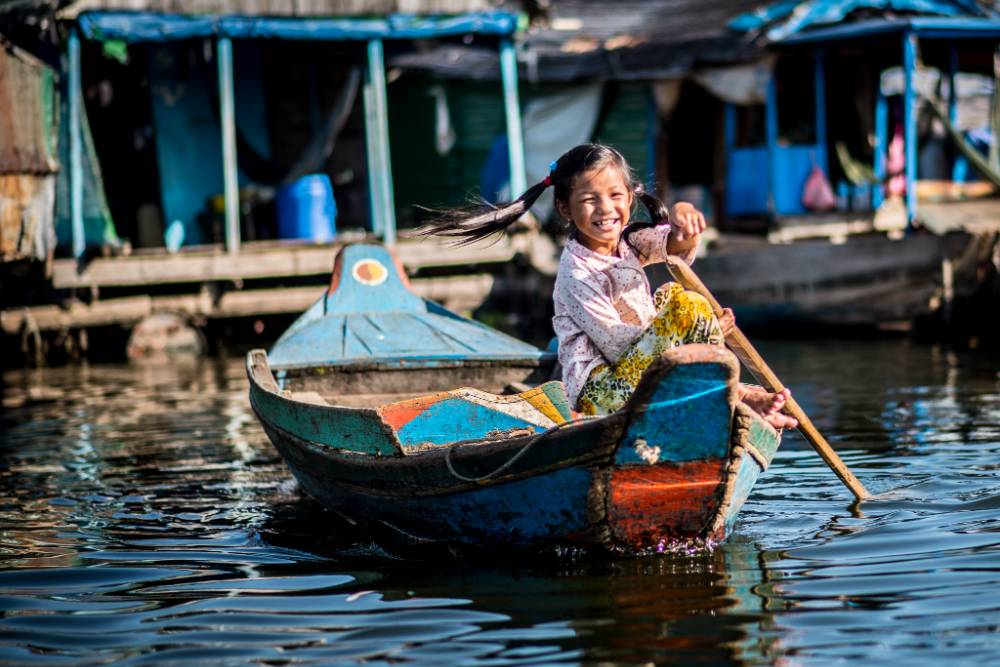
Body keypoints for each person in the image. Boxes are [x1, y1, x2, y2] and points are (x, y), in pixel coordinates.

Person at [423, 144, 796, 430]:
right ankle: (736, 396)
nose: (605, 209)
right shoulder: (575, 273)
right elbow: (622, 348)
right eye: (589, 200)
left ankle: (728, 394)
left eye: (615, 197)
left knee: (679, 297)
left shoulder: (629, 243)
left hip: (641, 372)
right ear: (566, 209)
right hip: (600, 395)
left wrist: (683, 218)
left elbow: (674, 247)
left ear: (630, 200)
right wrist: (699, 330)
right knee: (689, 308)